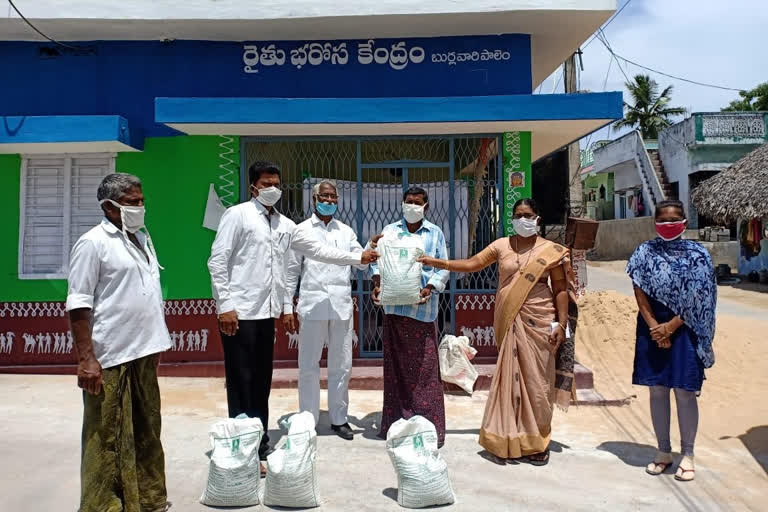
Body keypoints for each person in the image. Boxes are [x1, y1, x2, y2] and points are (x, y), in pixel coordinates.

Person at [208, 162, 377, 464]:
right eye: (266, 183)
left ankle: (259, 438)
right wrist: (225, 306)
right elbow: (218, 261)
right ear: (253, 187)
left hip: (266, 313)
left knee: (261, 380)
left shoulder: (286, 225)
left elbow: (317, 253)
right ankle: (241, 441)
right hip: (240, 312)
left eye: (276, 183)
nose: (272, 188)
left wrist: (357, 256)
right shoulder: (238, 215)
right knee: (241, 379)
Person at [419, 198, 575, 465]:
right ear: (512, 218)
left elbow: (560, 289)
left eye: (528, 214)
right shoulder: (501, 245)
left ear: (537, 218)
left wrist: (561, 324)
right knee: (510, 381)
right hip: (508, 318)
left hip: (539, 321)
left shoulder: (551, 250)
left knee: (537, 384)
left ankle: (537, 443)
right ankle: (507, 439)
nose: (523, 219)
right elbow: (472, 264)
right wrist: (437, 263)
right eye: (518, 215)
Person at [66, 173, 171, 512]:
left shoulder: (142, 237)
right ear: (109, 206)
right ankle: (103, 505)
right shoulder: (93, 243)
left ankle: (147, 499)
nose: (139, 207)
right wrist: (87, 359)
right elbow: (79, 302)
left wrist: (155, 345)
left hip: (143, 351)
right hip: (109, 356)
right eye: (131, 203)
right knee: (105, 435)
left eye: (141, 201)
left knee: (147, 429)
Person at [626, 200, 716, 482]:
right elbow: (639, 290)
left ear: (684, 222)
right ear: (654, 222)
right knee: (657, 389)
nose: (668, 224)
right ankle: (663, 451)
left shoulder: (699, 254)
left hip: (685, 327)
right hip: (651, 325)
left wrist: (671, 327)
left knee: (685, 390)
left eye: (673, 219)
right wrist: (655, 327)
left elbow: (702, 295)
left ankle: (687, 454)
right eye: (662, 220)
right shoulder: (644, 252)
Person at [284, 180, 367, 440]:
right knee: (308, 365)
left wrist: (372, 251)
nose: (329, 201)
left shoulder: (347, 231)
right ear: (314, 199)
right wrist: (288, 306)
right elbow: (290, 272)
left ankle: (339, 419)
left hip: (341, 306)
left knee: (341, 365)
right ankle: (307, 419)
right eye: (325, 197)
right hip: (312, 305)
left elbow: (362, 263)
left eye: (333, 197)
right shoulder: (301, 231)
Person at [368, 186, 450, 446]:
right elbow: (374, 260)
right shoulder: (390, 231)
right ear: (402, 204)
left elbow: (443, 268)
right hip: (393, 310)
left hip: (422, 312)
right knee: (396, 371)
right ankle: (396, 426)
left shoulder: (434, 233)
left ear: (426, 206)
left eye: (417, 202)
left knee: (424, 374)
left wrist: (430, 287)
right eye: (408, 201)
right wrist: (377, 282)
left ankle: (427, 429)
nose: (412, 206)